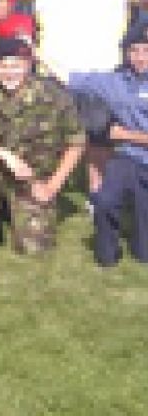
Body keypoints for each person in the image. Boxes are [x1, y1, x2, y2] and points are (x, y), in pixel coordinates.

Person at [13, 0, 148, 196]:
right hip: (54, 61)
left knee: (98, 134)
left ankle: (96, 196)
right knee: (46, 132)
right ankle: (38, 191)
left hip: (103, 64)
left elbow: (146, 2)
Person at [0, 38, 85, 255]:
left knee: (34, 248)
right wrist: (7, 156)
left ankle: (16, 207)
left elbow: (76, 142)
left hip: (35, 178)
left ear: (28, 65)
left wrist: (53, 186)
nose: (9, 72)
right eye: (3, 66)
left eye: (16, 65)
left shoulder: (53, 95)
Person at [68, 15, 148, 266]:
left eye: (146, 50)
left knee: (144, 252)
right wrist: (33, 55)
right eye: (133, 51)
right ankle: (108, 254)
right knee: (104, 200)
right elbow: (69, 77)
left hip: (134, 147)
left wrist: (125, 134)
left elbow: (121, 134)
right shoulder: (114, 82)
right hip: (129, 158)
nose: (140, 57)